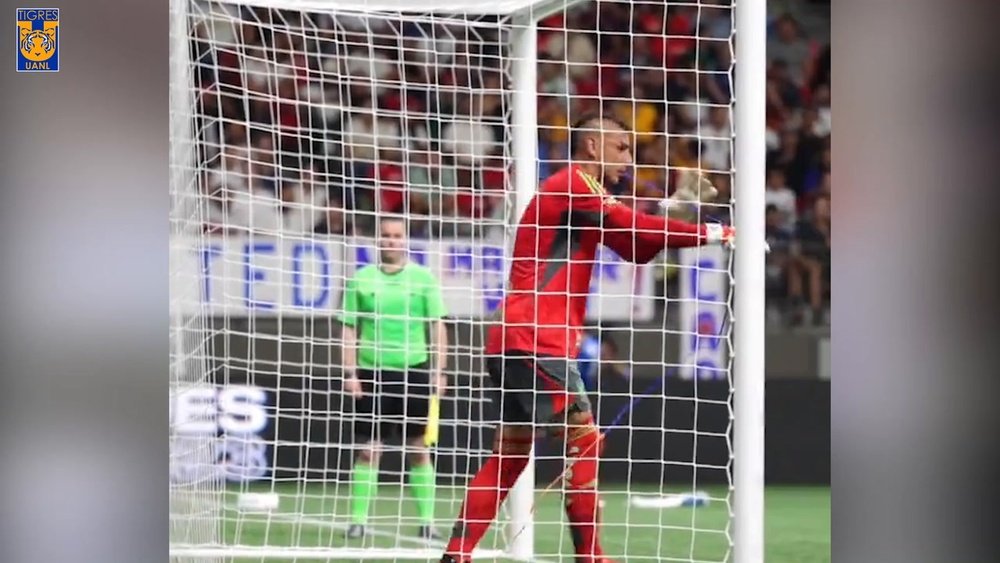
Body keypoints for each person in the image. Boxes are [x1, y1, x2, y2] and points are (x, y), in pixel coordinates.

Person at [439, 113, 734, 563]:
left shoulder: (582, 197)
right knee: (587, 440)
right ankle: (591, 557)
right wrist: (716, 231)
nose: (630, 159)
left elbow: (636, 246)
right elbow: (637, 230)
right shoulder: (576, 184)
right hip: (538, 336)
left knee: (511, 455)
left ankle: (456, 554)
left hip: (512, 337)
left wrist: (678, 208)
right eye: (623, 148)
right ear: (594, 146)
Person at [340, 215, 449, 540]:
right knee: (370, 448)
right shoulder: (361, 279)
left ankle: (427, 523)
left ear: (405, 240)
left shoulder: (423, 278)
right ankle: (357, 521)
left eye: (396, 235)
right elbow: (348, 328)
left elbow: (438, 325)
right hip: (372, 371)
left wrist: (439, 371)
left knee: (419, 447)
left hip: (414, 371)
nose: (391, 240)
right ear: (378, 240)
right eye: (385, 235)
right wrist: (350, 372)